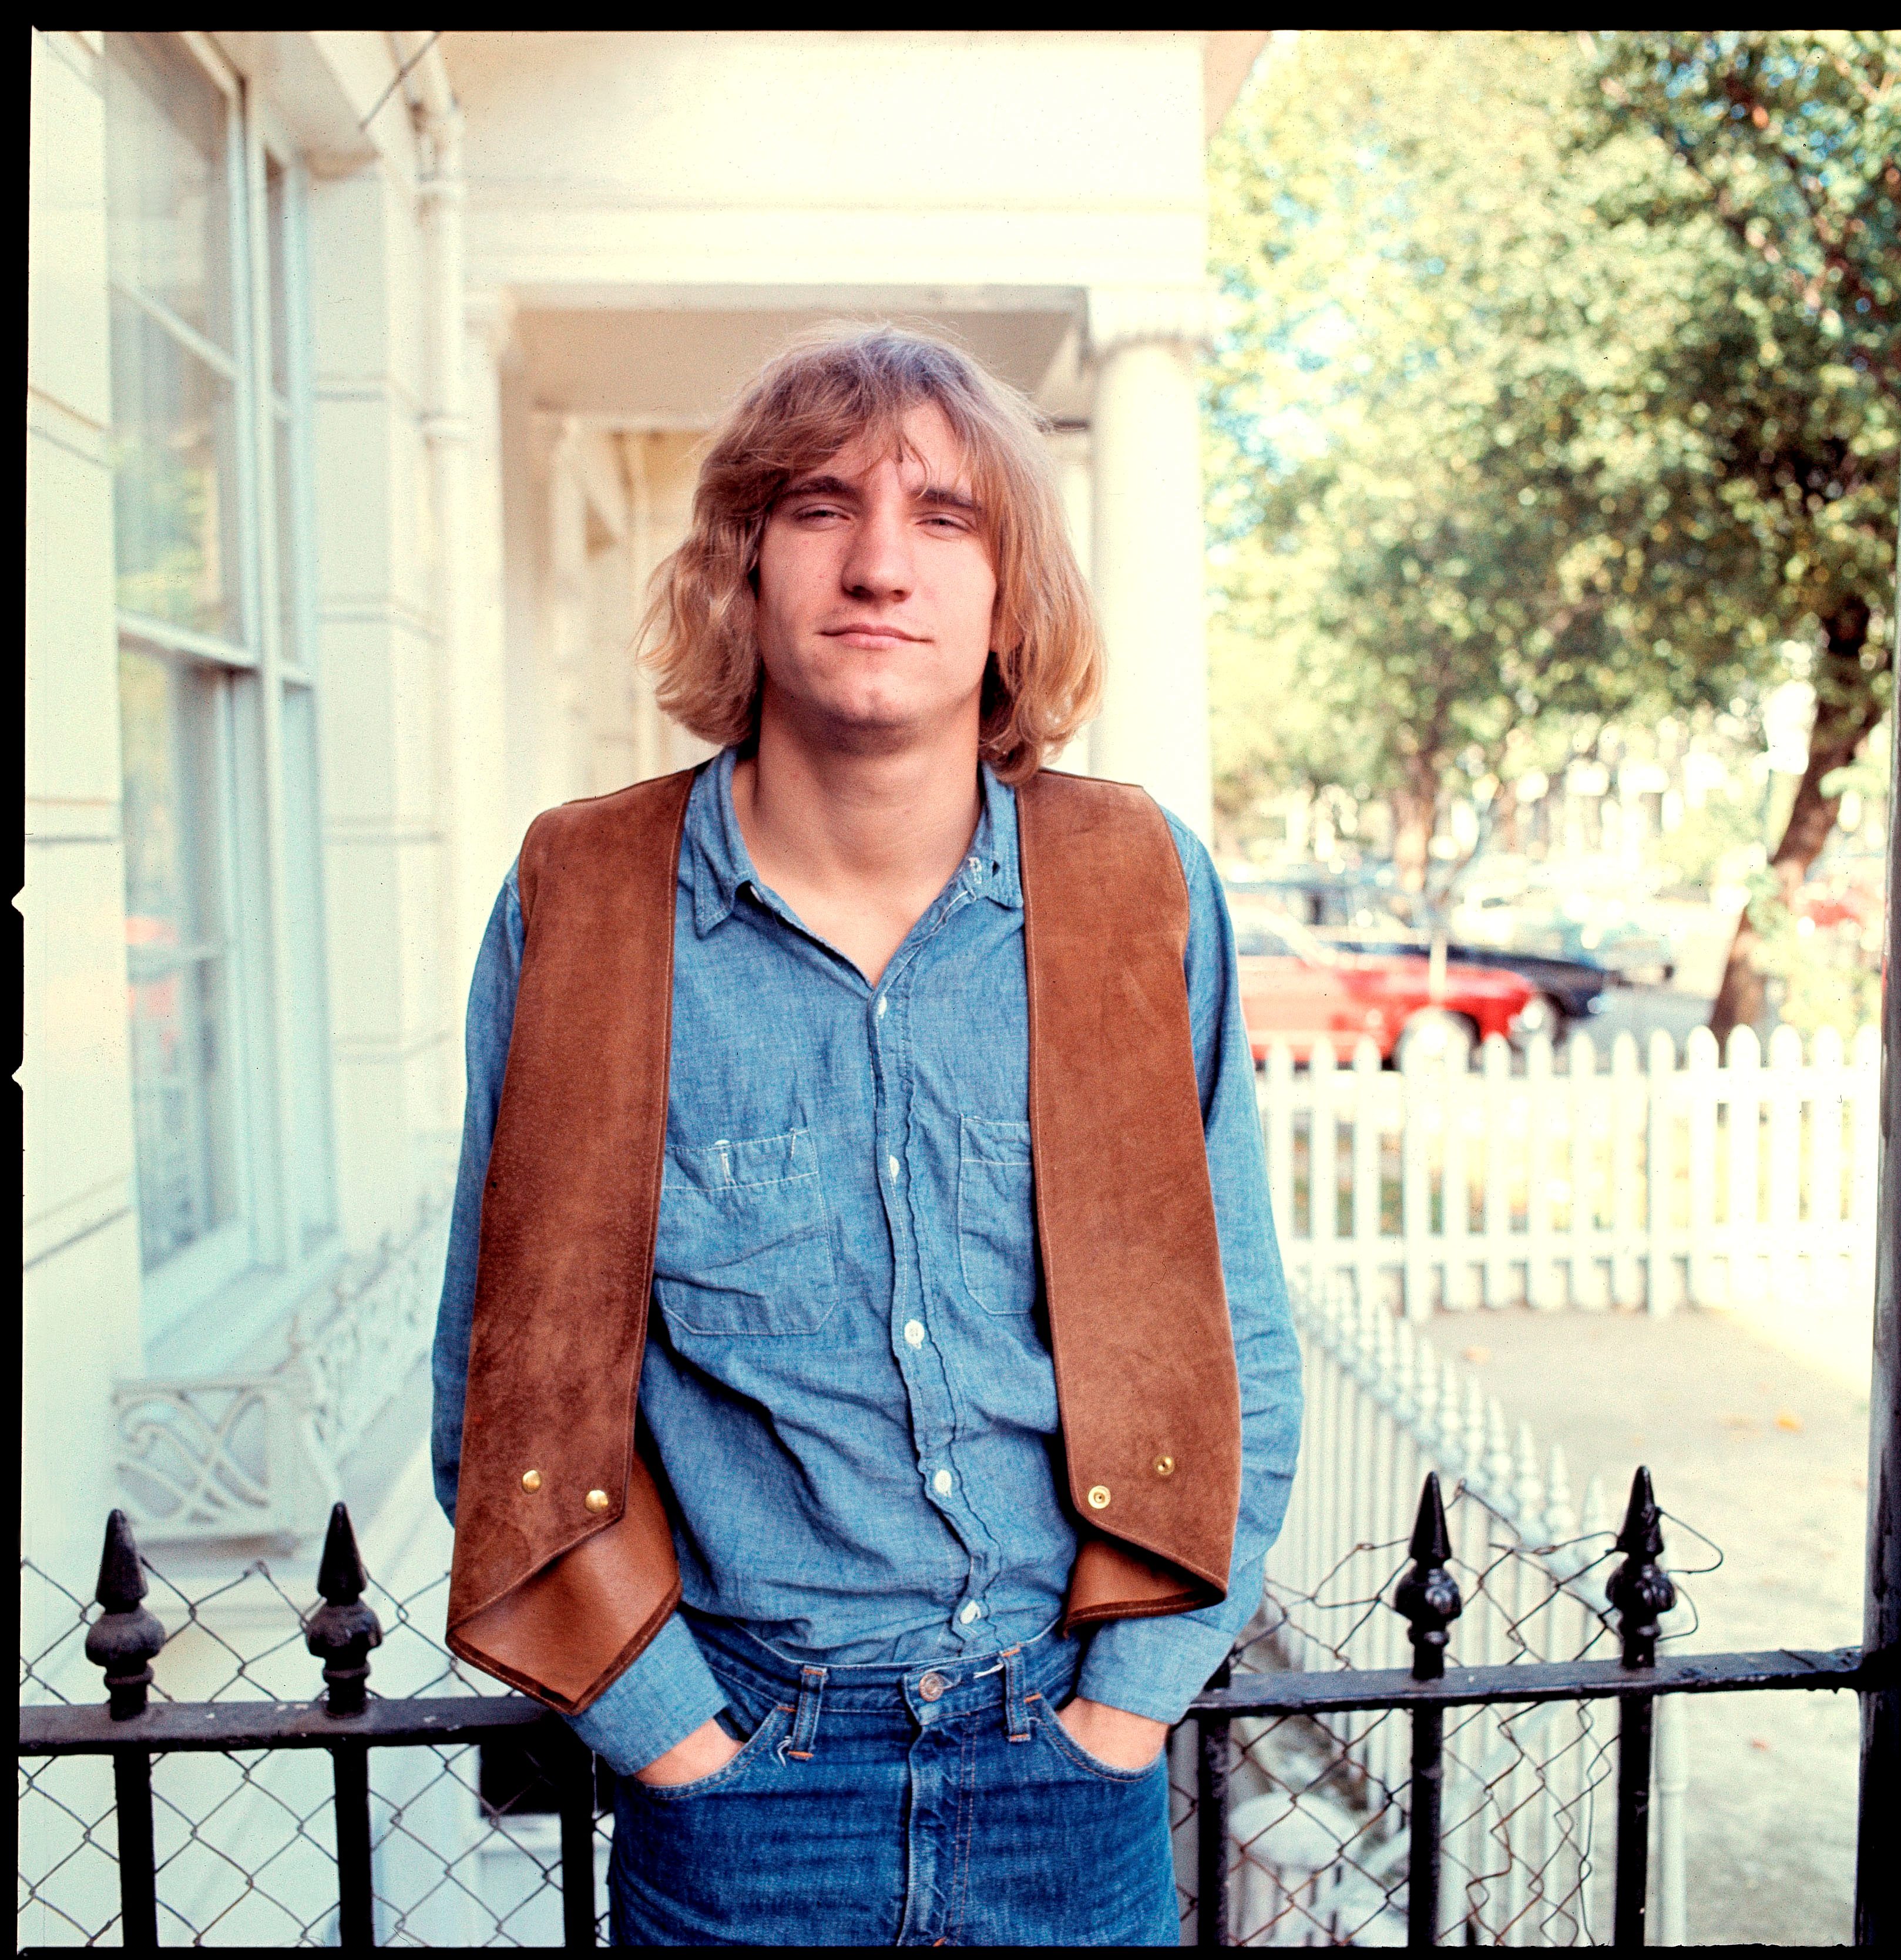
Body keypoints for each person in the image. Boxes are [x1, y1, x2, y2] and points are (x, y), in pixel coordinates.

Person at [431, 324, 1302, 1947]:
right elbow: (503, 1389)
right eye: (822, 509)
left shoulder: (1136, 888)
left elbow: (1230, 1335)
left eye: (946, 519)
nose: (882, 564)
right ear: (742, 571)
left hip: (1071, 1768)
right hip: (742, 1788)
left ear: (1004, 594)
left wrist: (1125, 1709)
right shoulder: (590, 904)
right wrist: (681, 1743)